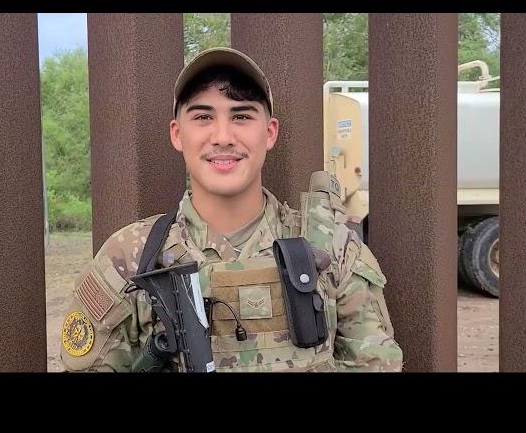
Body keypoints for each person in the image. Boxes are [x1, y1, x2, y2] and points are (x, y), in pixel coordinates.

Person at [60, 47, 403, 372]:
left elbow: (375, 362)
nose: (222, 136)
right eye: (203, 116)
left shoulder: (332, 249)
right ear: (178, 134)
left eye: (241, 115)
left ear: (269, 133)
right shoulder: (131, 258)